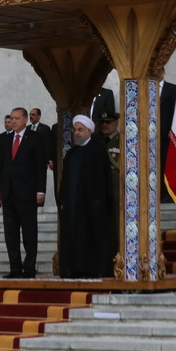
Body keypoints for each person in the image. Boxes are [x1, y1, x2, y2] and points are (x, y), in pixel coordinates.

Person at [57, 115, 116, 278]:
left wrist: (100, 202)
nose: (76, 133)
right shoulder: (71, 153)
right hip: (73, 205)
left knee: (90, 237)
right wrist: (61, 199)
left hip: (92, 207)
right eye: (75, 130)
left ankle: (92, 269)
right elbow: (65, 179)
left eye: (80, 130)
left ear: (89, 131)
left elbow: (104, 180)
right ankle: (72, 269)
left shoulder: (98, 151)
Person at [0, 107, 47, 278]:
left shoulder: (35, 138)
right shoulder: (5, 140)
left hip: (28, 193)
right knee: (11, 234)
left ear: (25, 120)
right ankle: (15, 268)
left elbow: (41, 167)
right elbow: (2, 168)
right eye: (12, 118)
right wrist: (0, 190)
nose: (14, 121)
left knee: (29, 233)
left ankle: (29, 268)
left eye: (17, 118)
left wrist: (41, 191)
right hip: (9, 193)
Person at [101, 111, 121, 251]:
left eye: (108, 122)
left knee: (116, 225)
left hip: (116, 189)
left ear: (116, 123)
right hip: (101, 190)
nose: (104, 125)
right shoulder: (97, 141)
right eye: (102, 122)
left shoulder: (122, 142)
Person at [159, 80, 176, 202]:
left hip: (166, 135)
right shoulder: (146, 86)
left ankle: (167, 194)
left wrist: (173, 128)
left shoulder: (171, 88)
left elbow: (175, 110)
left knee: (166, 165)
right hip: (149, 136)